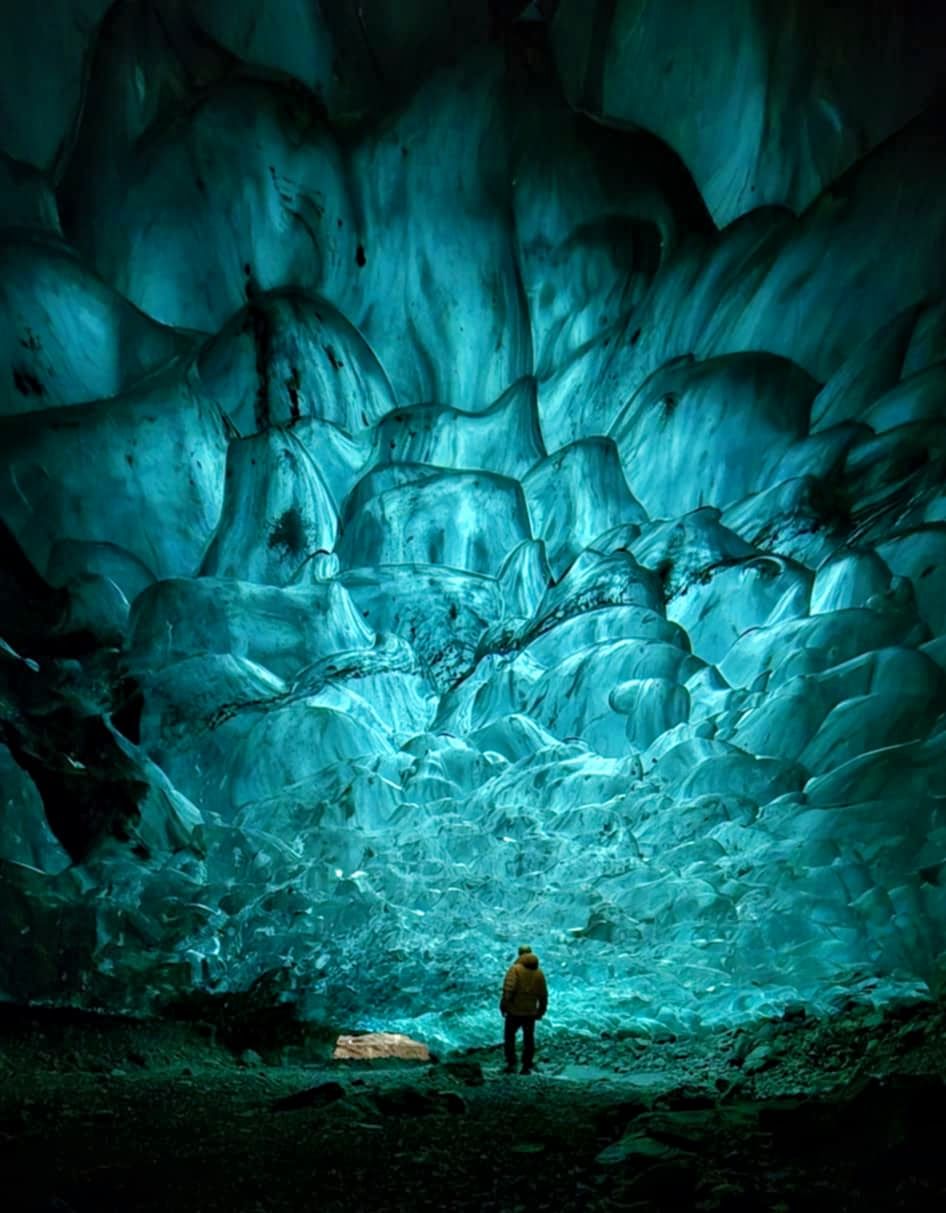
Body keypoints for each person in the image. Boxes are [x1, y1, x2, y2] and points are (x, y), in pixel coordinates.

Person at [499, 945, 548, 1074]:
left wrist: (503, 1005)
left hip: (514, 1011)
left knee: (509, 1037)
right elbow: (543, 995)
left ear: (519, 954)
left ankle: (511, 1061)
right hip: (530, 1012)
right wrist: (541, 1011)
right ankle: (527, 1063)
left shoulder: (515, 969)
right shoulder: (539, 972)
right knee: (529, 1038)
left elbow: (508, 990)